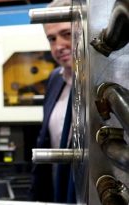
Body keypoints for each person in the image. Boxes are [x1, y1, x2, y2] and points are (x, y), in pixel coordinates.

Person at [29, 0, 76, 203]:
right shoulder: (55, 78)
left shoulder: (109, 82)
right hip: (59, 193)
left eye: (67, 34)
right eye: (52, 38)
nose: (59, 46)